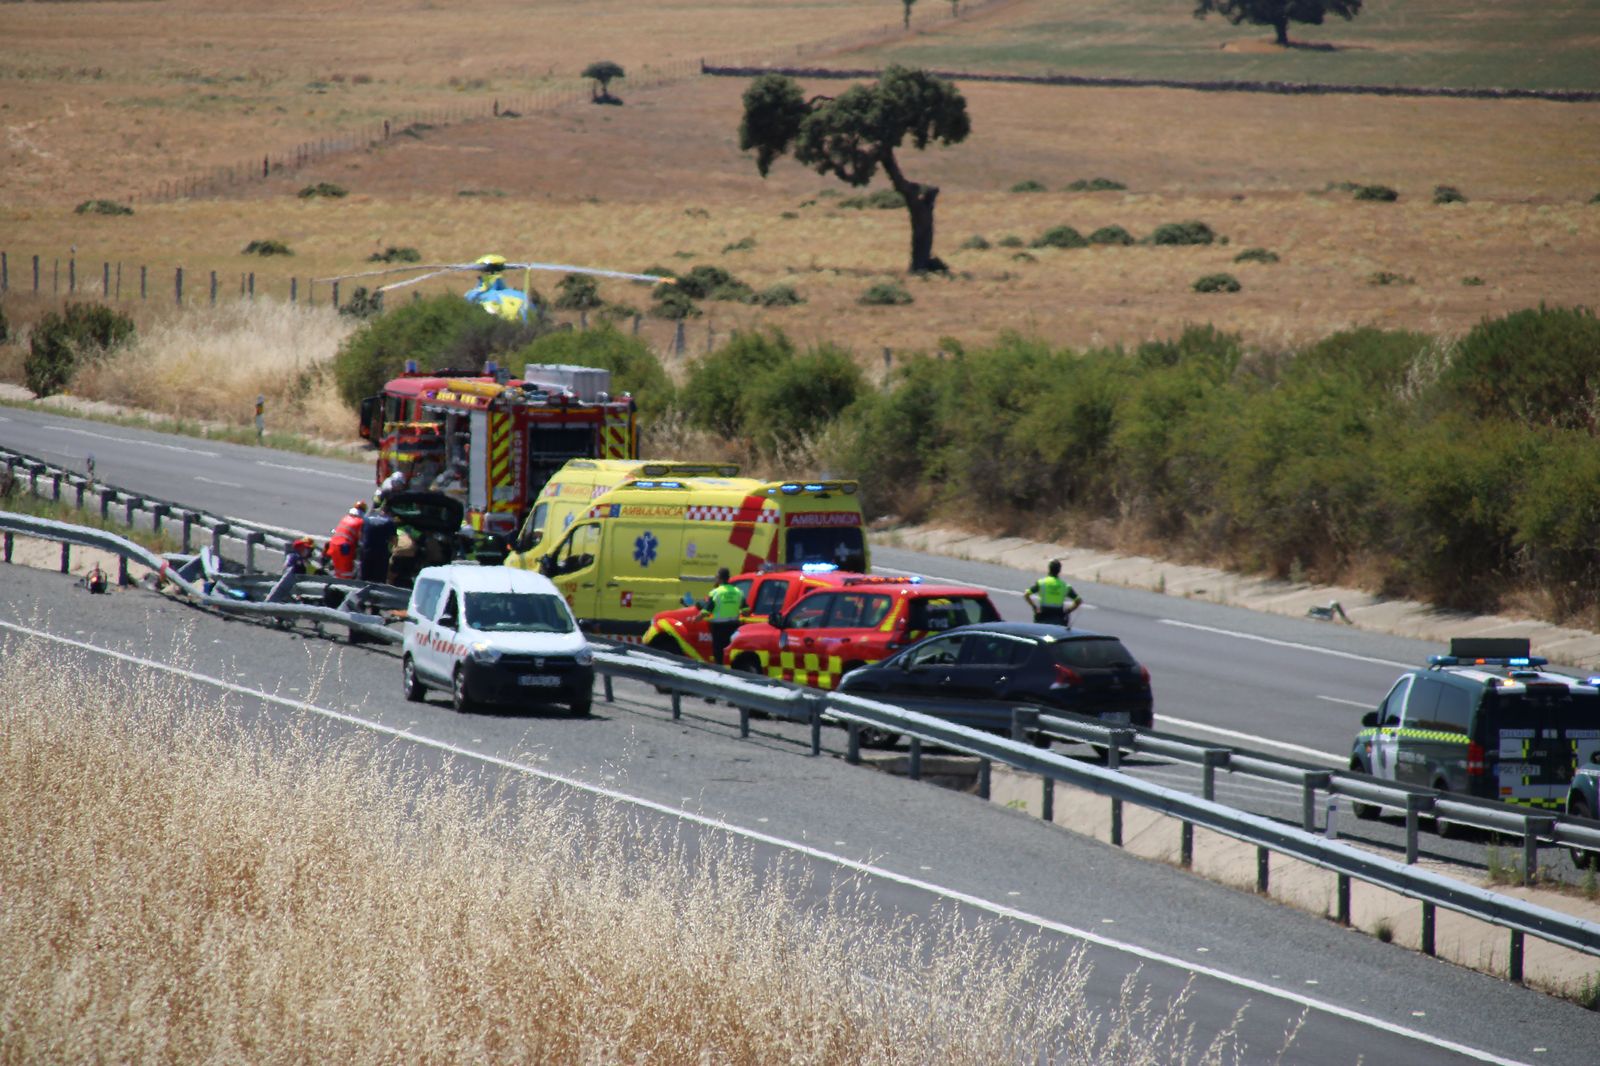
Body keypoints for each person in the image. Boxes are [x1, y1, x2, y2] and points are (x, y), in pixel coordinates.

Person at [698, 567, 746, 667]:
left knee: (719, 654)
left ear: (719, 578)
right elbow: (746, 610)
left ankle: (720, 675)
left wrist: (696, 618)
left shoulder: (716, 592)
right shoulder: (738, 592)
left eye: (716, 577)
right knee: (730, 653)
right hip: (733, 627)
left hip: (719, 628)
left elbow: (706, 611)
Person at [1024, 559, 1081, 626]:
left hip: (1043, 615)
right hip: (1058, 616)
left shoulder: (1042, 583)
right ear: (1059, 571)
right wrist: (1068, 611)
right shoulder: (1064, 586)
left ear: (1049, 569)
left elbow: (1026, 595)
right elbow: (1078, 600)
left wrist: (1035, 607)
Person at [357, 501, 398, 584]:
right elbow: (394, 541)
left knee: (363, 578)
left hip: (366, 552)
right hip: (380, 554)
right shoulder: (390, 522)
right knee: (378, 581)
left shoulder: (367, 518)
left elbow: (360, 535)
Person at [325, 500, 367, 578]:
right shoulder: (360, 522)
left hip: (333, 545)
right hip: (344, 549)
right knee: (346, 575)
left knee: (337, 572)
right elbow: (361, 539)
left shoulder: (345, 518)